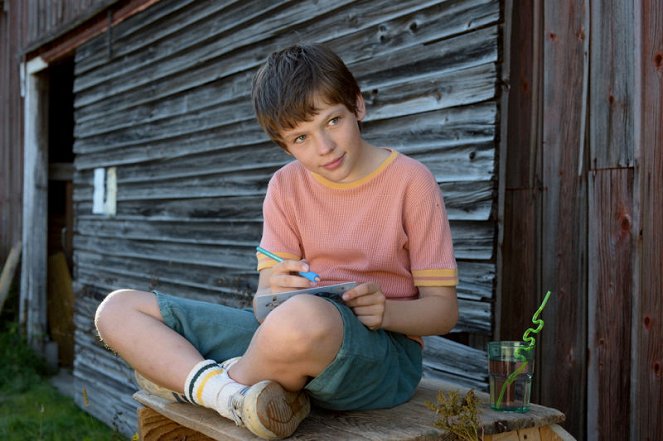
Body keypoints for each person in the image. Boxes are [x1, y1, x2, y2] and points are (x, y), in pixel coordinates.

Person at [95, 43, 459, 440]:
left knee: (303, 318)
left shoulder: (411, 182)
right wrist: (273, 289)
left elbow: (443, 312)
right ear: (283, 145)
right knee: (118, 309)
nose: (324, 147)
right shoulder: (285, 186)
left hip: (384, 357)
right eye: (300, 138)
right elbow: (263, 306)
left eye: (332, 121)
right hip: (288, 336)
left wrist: (385, 313)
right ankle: (234, 393)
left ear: (357, 105)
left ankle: (199, 385)